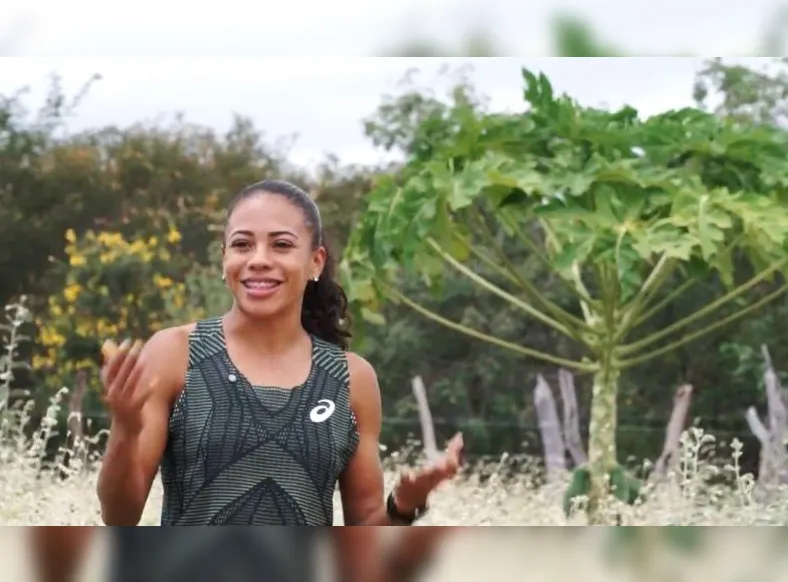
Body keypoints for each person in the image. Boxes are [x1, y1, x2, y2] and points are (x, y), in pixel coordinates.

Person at [96, 178, 464, 527]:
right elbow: (119, 517)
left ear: (315, 262)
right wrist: (126, 430)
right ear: (225, 260)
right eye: (242, 245)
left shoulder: (351, 379)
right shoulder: (176, 354)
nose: (258, 259)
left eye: (281, 245)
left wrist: (404, 504)